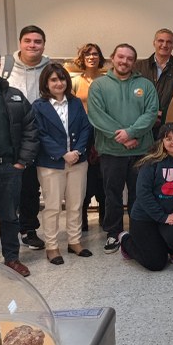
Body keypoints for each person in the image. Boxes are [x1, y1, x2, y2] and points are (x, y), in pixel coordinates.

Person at [88, 44, 159, 254]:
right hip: (111, 151)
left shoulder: (145, 85)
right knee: (112, 194)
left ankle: (138, 231)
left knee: (140, 193)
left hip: (141, 151)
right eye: (121, 57)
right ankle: (114, 232)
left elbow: (151, 113)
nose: (124, 61)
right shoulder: (99, 85)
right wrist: (123, 137)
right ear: (113, 58)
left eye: (129, 58)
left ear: (134, 62)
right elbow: (97, 115)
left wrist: (131, 132)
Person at [0, 43, 37, 277]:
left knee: (10, 217)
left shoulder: (14, 96)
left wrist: (22, 161)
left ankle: (12, 259)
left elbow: (31, 128)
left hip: (9, 167)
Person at [118, 123, 173, 270]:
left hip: (171, 215)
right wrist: (162, 217)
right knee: (155, 264)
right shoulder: (151, 162)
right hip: (145, 218)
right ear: (161, 142)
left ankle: (172, 249)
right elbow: (143, 194)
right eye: (168, 139)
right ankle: (126, 240)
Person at [33, 63, 92, 265]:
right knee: (52, 207)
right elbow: (40, 134)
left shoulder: (75, 103)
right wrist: (62, 154)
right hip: (51, 164)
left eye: (62, 79)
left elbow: (85, 128)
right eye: (54, 80)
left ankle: (74, 241)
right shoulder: (38, 106)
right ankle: (52, 246)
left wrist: (78, 151)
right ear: (46, 83)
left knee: (76, 204)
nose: (59, 83)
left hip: (78, 161)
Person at [0, 25, 50, 251]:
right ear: (20, 43)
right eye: (28, 41)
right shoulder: (4, 66)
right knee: (3, 187)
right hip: (8, 137)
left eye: (37, 41)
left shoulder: (51, 67)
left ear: (44, 45)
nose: (32, 45)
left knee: (30, 187)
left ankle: (28, 229)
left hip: (39, 136)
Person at [71, 43, 106, 231]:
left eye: (95, 54)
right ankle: (82, 221)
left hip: (103, 133)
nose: (92, 57)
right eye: (87, 54)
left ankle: (104, 219)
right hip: (82, 135)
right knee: (83, 178)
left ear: (100, 57)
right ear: (82, 58)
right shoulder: (75, 82)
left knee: (103, 177)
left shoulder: (107, 80)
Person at [134, 28, 173, 132]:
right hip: (141, 122)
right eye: (161, 41)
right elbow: (133, 94)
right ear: (154, 43)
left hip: (170, 123)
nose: (164, 45)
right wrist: (151, 113)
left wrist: (164, 114)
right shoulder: (138, 67)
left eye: (169, 42)